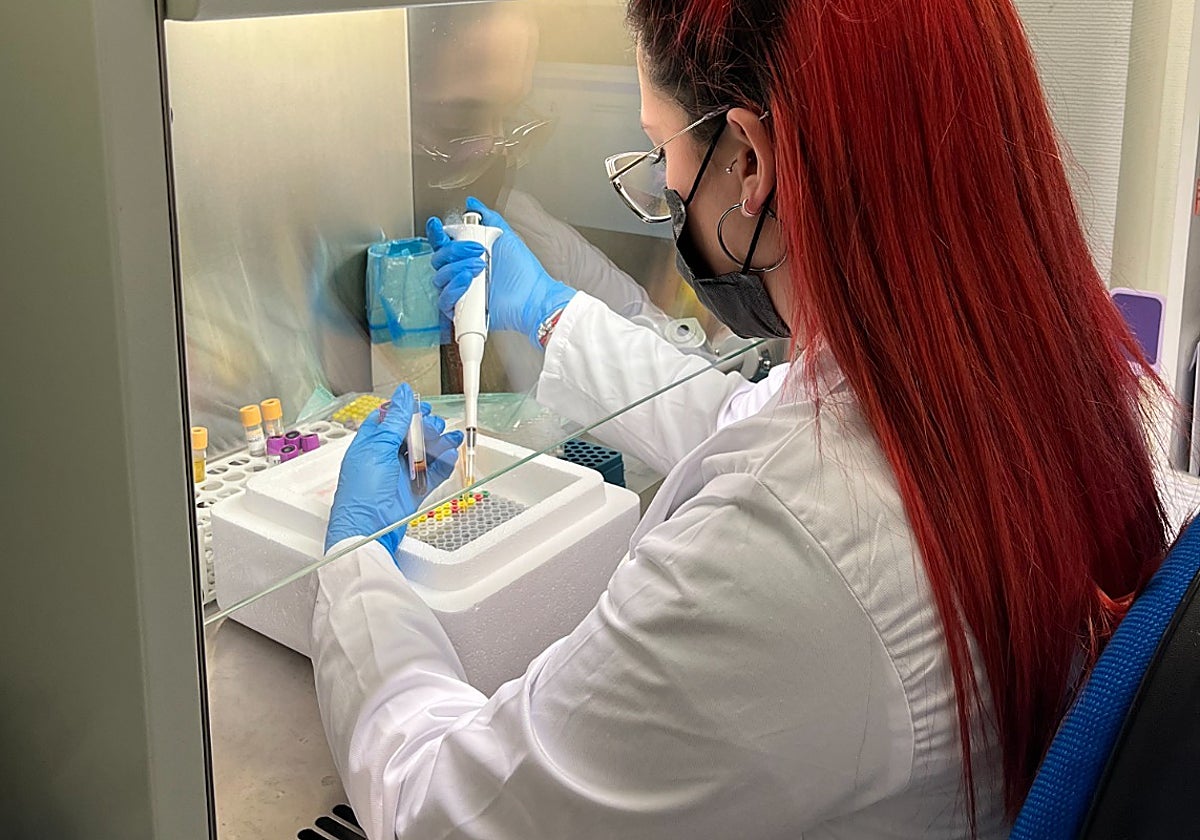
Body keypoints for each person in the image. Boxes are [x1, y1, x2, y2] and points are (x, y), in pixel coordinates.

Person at [312, 1, 1169, 837]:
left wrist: (356, 566)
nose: (664, 186)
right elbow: (752, 419)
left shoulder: (791, 550)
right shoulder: (1029, 372)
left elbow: (443, 812)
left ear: (750, 161)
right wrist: (550, 315)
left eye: (660, 154)